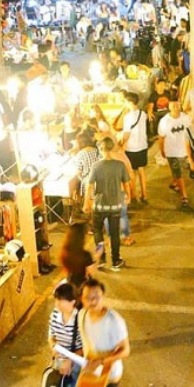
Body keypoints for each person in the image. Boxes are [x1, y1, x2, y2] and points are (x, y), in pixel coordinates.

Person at [78, 278, 130, 387]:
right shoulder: (82, 315)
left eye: (97, 297)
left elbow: (125, 350)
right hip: (91, 374)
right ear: (81, 299)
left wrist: (101, 361)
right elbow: (88, 343)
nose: (93, 301)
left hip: (110, 378)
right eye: (88, 297)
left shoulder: (114, 321)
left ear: (103, 297)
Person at [85, 137, 131, 272]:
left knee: (97, 231)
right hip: (115, 205)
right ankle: (116, 260)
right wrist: (128, 196)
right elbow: (126, 183)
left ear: (100, 149)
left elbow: (89, 186)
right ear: (112, 148)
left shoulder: (96, 166)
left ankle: (101, 258)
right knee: (114, 233)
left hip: (99, 205)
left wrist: (86, 202)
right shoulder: (120, 165)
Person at [48, 282, 86, 387]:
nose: (57, 304)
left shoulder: (80, 318)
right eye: (56, 300)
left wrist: (70, 360)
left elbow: (86, 346)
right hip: (60, 359)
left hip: (77, 362)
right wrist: (54, 350)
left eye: (61, 301)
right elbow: (51, 336)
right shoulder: (55, 313)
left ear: (72, 302)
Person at [158, 100, 194, 211]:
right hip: (172, 152)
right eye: (173, 105)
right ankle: (184, 198)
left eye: (177, 105)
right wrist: (162, 150)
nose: (175, 107)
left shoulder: (186, 118)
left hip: (184, 151)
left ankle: (174, 183)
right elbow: (161, 137)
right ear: (169, 107)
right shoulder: (165, 121)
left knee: (182, 171)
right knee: (179, 174)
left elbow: (191, 132)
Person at [119, 92, 148, 206]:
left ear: (130, 102)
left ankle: (134, 195)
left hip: (131, 147)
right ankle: (144, 195)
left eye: (126, 101)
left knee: (132, 173)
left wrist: (121, 143)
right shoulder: (143, 113)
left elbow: (127, 134)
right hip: (142, 146)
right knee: (141, 171)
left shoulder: (127, 117)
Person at [59, 223, 101, 296]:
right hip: (83, 287)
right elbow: (91, 272)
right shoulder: (85, 255)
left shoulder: (65, 251)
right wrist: (98, 256)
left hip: (70, 283)